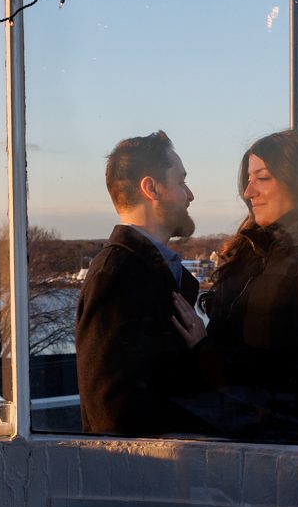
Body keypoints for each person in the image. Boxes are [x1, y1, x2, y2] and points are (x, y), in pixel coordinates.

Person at [172, 128, 298, 441]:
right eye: (248, 179)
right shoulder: (261, 248)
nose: (248, 191)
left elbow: (287, 376)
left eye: (262, 178)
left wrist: (202, 348)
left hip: (284, 439)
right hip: (241, 427)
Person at [74, 131, 204, 435]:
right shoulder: (117, 276)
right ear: (152, 188)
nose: (190, 194)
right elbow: (112, 414)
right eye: (182, 182)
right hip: (144, 475)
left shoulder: (145, 270)